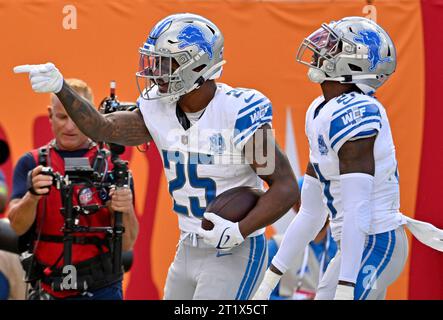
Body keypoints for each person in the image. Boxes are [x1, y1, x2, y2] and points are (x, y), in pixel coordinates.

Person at [14, 13, 300, 300]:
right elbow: (103, 127)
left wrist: (239, 229)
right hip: (188, 245)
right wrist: (60, 87)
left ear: (197, 63)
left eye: (166, 61)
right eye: (155, 60)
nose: (155, 70)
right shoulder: (158, 108)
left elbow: (285, 187)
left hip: (234, 248)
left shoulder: (237, 112)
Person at [254, 16, 410, 300]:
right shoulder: (320, 110)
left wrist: (346, 286)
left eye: (334, 45)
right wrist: (269, 281)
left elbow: (357, 209)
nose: (321, 48)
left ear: (355, 64)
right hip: (355, 243)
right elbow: (312, 213)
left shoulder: (357, 113)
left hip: (377, 241)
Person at [7, 78, 139, 300]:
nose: (70, 126)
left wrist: (124, 209)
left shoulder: (112, 167)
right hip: (47, 285)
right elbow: (17, 227)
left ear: (92, 119)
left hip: (101, 288)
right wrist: (32, 196)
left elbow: (127, 243)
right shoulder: (32, 163)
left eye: (78, 118)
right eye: (62, 117)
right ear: (50, 115)